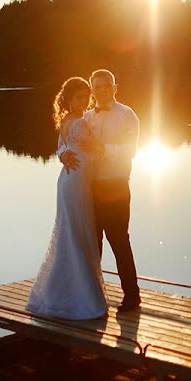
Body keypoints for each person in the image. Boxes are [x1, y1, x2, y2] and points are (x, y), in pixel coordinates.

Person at [59, 69, 141, 312]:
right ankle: (93, 297)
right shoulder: (86, 118)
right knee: (92, 244)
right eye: (98, 87)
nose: (102, 90)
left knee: (119, 242)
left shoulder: (128, 116)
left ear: (115, 87)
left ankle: (132, 297)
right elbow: (66, 140)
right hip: (89, 188)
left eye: (107, 86)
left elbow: (129, 151)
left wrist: (101, 148)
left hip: (115, 186)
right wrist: (61, 153)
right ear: (92, 91)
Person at [26, 77, 108, 320]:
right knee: (77, 234)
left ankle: (63, 291)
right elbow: (99, 151)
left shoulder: (67, 120)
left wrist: (64, 153)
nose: (84, 101)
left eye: (86, 96)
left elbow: (61, 145)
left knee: (71, 234)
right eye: (79, 97)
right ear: (69, 100)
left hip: (70, 182)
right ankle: (81, 298)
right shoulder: (80, 124)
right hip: (76, 185)